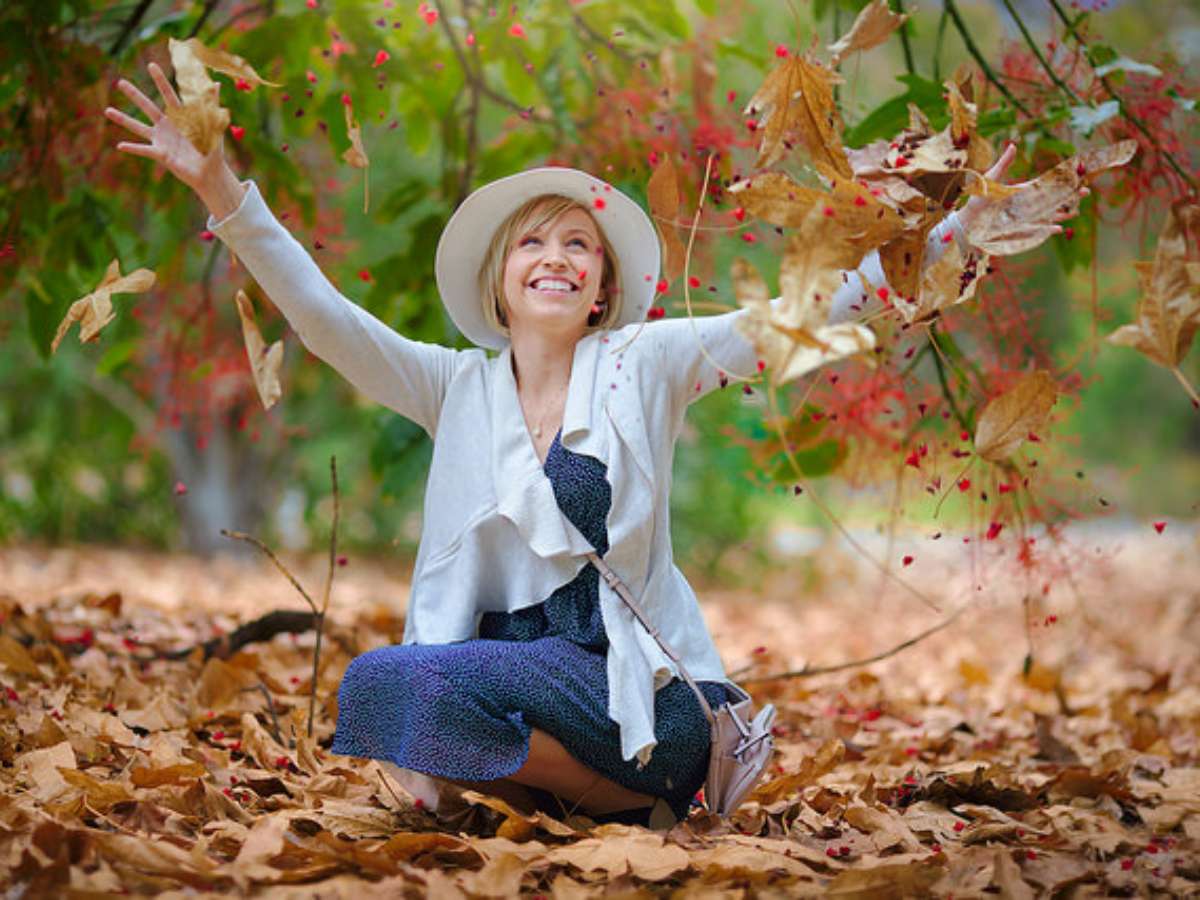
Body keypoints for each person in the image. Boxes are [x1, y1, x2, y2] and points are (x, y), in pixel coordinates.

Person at [105, 61, 1065, 831]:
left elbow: (793, 322)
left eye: (578, 245)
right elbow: (322, 318)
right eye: (532, 244)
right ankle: (590, 804)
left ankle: (602, 793)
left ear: (601, 286)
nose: (556, 257)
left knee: (419, 704)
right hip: (493, 677)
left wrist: (952, 233)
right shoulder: (452, 386)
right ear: (500, 282)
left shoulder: (643, 362)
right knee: (380, 684)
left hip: (643, 697)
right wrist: (222, 187)